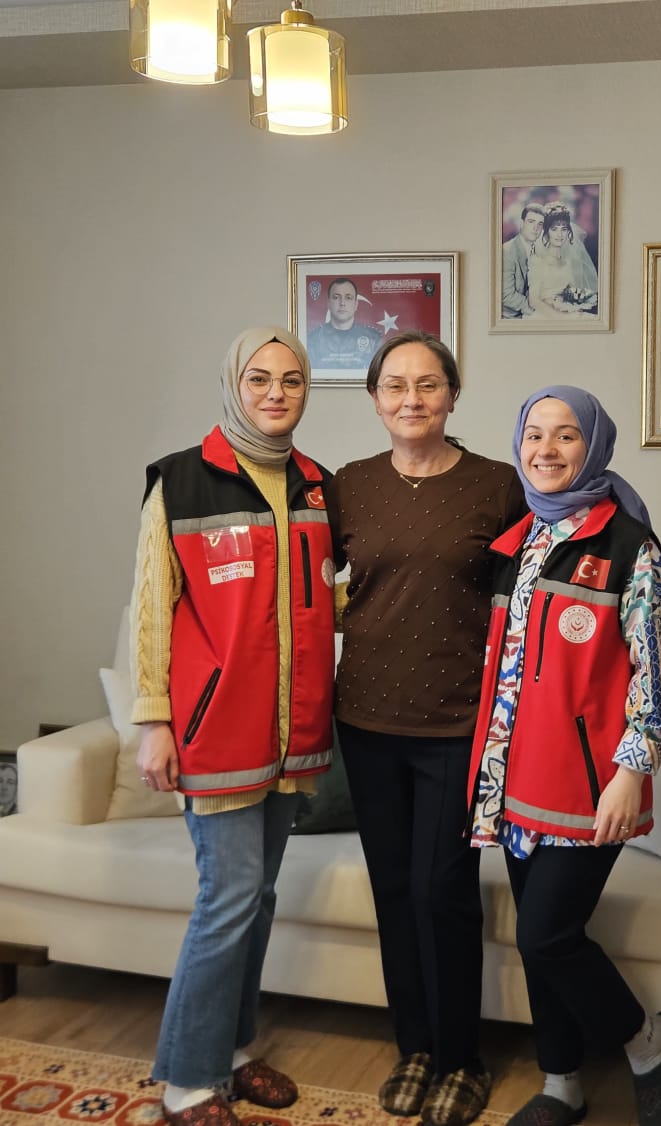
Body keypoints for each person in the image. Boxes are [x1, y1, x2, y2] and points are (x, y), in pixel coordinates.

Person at [131, 326, 337, 1126]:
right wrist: (154, 720)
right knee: (230, 895)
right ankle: (187, 1081)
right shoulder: (181, 482)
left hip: (294, 731)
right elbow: (153, 608)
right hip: (215, 727)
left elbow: (328, 598)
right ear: (233, 384)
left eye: (291, 380)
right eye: (260, 379)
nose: (276, 393)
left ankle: (234, 1049)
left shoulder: (318, 486)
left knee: (259, 897)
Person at [326, 331, 529, 1126]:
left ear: (452, 394)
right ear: (375, 398)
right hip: (365, 718)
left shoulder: (498, 486)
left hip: (457, 721)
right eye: (395, 385)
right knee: (394, 888)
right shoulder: (348, 485)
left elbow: (528, 599)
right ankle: (414, 1048)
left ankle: (460, 1058)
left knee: (444, 890)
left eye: (428, 384)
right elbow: (316, 588)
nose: (411, 399)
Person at [467, 387, 661, 1126]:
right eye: (534, 434)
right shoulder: (516, 542)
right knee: (540, 942)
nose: (546, 450)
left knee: (545, 934)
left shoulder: (629, 546)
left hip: (591, 786)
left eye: (565, 435)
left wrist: (632, 770)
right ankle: (561, 1082)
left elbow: (656, 667)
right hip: (516, 781)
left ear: (594, 446)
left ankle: (648, 1040)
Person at [526, 204, 599, 317]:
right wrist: (562, 317)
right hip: (546, 315)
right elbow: (533, 300)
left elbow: (571, 292)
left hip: (565, 309)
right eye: (554, 229)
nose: (559, 234)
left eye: (564, 229)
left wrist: (576, 304)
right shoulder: (538, 261)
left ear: (569, 232)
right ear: (546, 232)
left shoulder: (567, 262)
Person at [308, 278, 384, 368]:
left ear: (356, 304)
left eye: (348, 298)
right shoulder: (313, 339)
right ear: (328, 303)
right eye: (336, 297)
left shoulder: (373, 339)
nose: (342, 303)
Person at [501, 203, 546, 318]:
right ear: (521, 223)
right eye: (531, 222)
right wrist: (537, 311)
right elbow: (506, 295)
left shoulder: (540, 250)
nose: (536, 228)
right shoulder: (507, 251)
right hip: (511, 317)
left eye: (540, 224)